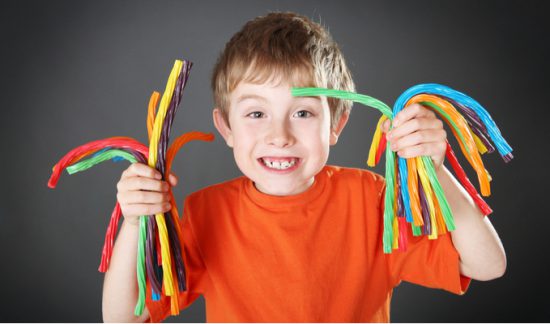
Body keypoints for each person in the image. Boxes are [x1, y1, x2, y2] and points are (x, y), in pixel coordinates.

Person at [102, 12, 506, 322]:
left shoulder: (373, 201)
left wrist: (435, 171)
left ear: (338, 125)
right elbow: (124, 317)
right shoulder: (206, 213)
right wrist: (137, 223)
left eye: (303, 113)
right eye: (257, 113)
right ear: (226, 127)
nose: (279, 135)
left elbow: (488, 265)